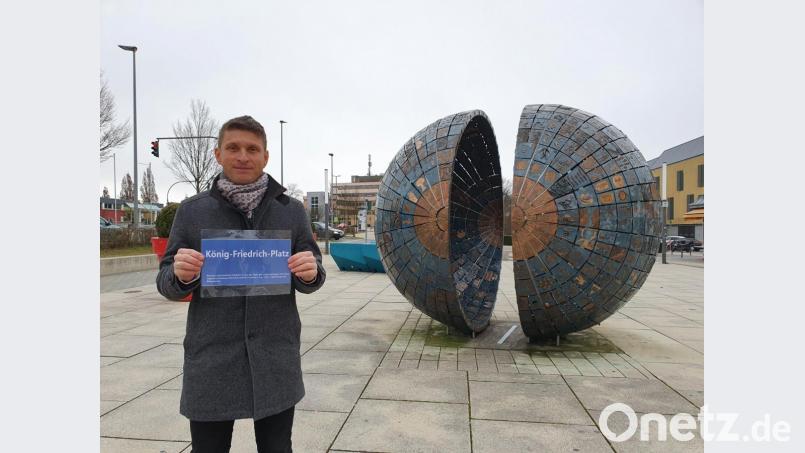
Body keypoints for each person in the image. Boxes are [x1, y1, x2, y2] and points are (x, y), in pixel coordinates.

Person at [156, 115, 325, 453]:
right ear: (218, 154)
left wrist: (309, 274)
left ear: (265, 156)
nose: (243, 156)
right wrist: (180, 275)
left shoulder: (291, 211)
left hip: (274, 356)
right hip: (213, 358)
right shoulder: (192, 212)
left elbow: (313, 273)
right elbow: (165, 281)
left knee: (277, 448)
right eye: (233, 148)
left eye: (252, 149)